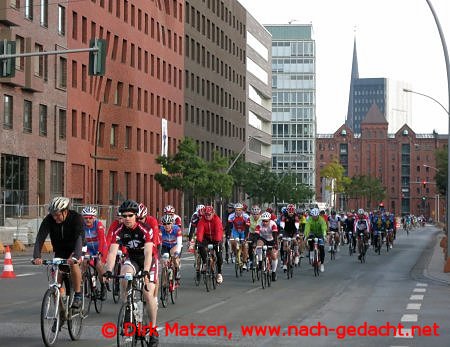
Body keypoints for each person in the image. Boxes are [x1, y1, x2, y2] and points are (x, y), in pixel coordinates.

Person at [104, 199, 159, 346]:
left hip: (148, 261)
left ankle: (153, 330)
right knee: (124, 275)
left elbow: (148, 253)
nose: (127, 218)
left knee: (148, 294)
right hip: (132, 258)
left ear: (136, 216)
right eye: (124, 215)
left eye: (130, 215)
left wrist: (146, 271)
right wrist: (108, 270)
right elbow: (112, 252)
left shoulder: (145, 229)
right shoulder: (119, 230)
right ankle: (127, 306)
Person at [33, 197, 84, 309]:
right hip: (60, 251)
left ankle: (78, 295)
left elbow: (79, 238)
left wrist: (76, 256)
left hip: (75, 248)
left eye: (57, 214)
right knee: (57, 281)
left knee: (73, 264)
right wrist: (37, 256)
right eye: (53, 215)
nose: (54, 217)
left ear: (65, 211)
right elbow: (40, 237)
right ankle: (59, 315)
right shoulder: (49, 220)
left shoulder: (76, 218)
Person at [81, 206, 108, 300]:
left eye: (90, 218)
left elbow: (102, 240)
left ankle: (103, 285)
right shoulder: (81, 226)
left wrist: (100, 253)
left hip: (99, 248)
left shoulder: (98, 225)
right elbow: (79, 241)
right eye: (85, 218)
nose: (88, 220)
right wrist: (82, 253)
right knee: (84, 263)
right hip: (88, 249)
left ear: (94, 218)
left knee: (99, 265)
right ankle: (83, 286)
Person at [196, 205, 224, 284]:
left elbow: (219, 231)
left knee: (219, 255)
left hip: (216, 238)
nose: (207, 216)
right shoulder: (202, 220)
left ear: (213, 213)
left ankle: (219, 273)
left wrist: (218, 241)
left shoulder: (217, 220)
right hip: (206, 238)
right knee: (201, 247)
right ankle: (205, 263)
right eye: (206, 215)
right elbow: (200, 231)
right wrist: (199, 241)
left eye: (209, 214)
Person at [254, 212, 279, 281]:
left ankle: (273, 272)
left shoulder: (273, 224)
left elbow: (275, 235)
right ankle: (260, 261)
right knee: (258, 245)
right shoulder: (259, 224)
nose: (264, 222)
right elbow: (256, 234)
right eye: (263, 221)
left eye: (266, 221)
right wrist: (254, 243)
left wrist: (275, 244)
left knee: (274, 256)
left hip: (272, 239)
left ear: (269, 220)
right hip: (263, 239)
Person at [303, 208, 327, 272]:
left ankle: (322, 264)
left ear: (318, 215)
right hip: (312, 233)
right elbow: (307, 227)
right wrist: (306, 236)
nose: (315, 217)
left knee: (321, 248)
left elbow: (324, 227)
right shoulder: (309, 219)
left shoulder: (321, 219)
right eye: (313, 216)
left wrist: (324, 236)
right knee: (310, 241)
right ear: (312, 215)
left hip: (320, 234)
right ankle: (311, 253)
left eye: (316, 216)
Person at [159, 214, 183, 280]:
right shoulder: (161, 230)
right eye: (164, 224)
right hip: (165, 246)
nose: (166, 226)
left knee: (174, 256)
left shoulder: (177, 229)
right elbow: (158, 242)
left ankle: (177, 270)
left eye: (168, 223)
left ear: (172, 223)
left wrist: (177, 252)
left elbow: (179, 243)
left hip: (174, 245)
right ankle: (164, 281)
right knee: (164, 260)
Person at [228, 203, 250, 270]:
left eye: (239, 210)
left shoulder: (246, 216)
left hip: (244, 231)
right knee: (233, 242)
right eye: (236, 210)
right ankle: (235, 254)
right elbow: (230, 227)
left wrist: (245, 237)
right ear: (234, 210)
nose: (238, 211)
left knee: (245, 245)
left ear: (242, 210)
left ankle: (244, 262)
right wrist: (230, 235)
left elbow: (247, 227)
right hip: (236, 231)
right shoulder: (231, 216)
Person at [279, 204, 300, 270]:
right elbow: (282, 224)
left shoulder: (296, 216)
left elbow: (297, 225)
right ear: (287, 211)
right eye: (289, 212)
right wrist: (281, 233)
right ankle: (285, 264)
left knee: (294, 241)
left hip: (294, 231)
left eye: (292, 212)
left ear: (294, 211)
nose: (291, 213)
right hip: (286, 231)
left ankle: (296, 255)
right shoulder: (284, 215)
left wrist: (297, 235)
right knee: (285, 246)